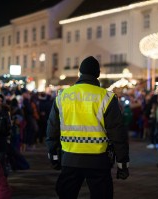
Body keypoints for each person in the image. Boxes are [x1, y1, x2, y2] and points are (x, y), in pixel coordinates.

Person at [46, 56, 130, 199]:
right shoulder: (106, 98)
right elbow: (118, 134)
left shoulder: (62, 96)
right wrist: (122, 163)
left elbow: (52, 129)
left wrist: (53, 156)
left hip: (69, 158)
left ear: (80, 73)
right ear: (97, 74)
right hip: (98, 161)